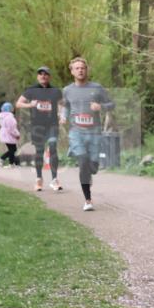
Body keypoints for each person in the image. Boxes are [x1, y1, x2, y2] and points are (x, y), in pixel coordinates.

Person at [62, 56, 115, 211]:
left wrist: (101, 106)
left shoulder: (97, 88)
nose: (80, 70)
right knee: (83, 162)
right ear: (72, 71)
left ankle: (91, 169)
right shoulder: (67, 90)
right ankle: (88, 200)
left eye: (83, 68)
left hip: (94, 132)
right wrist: (63, 115)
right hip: (76, 132)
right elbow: (65, 106)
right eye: (77, 68)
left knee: (92, 166)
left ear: (87, 70)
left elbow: (111, 104)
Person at [16, 66, 63, 191]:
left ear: (49, 76)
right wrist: (30, 104)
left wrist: (62, 115)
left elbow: (61, 105)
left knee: (53, 147)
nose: (43, 76)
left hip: (52, 125)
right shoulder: (31, 90)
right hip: (37, 126)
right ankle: (38, 179)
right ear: (38, 76)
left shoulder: (55, 91)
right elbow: (18, 103)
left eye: (46, 74)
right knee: (40, 152)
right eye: (41, 74)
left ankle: (54, 179)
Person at [0, 103, 20, 167]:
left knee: (12, 149)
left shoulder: (2, 116)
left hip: (4, 135)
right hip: (9, 135)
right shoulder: (9, 117)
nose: (13, 109)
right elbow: (12, 128)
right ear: (9, 109)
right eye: (11, 108)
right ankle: (2, 158)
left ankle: (12, 163)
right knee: (13, 150)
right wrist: (17, 135)